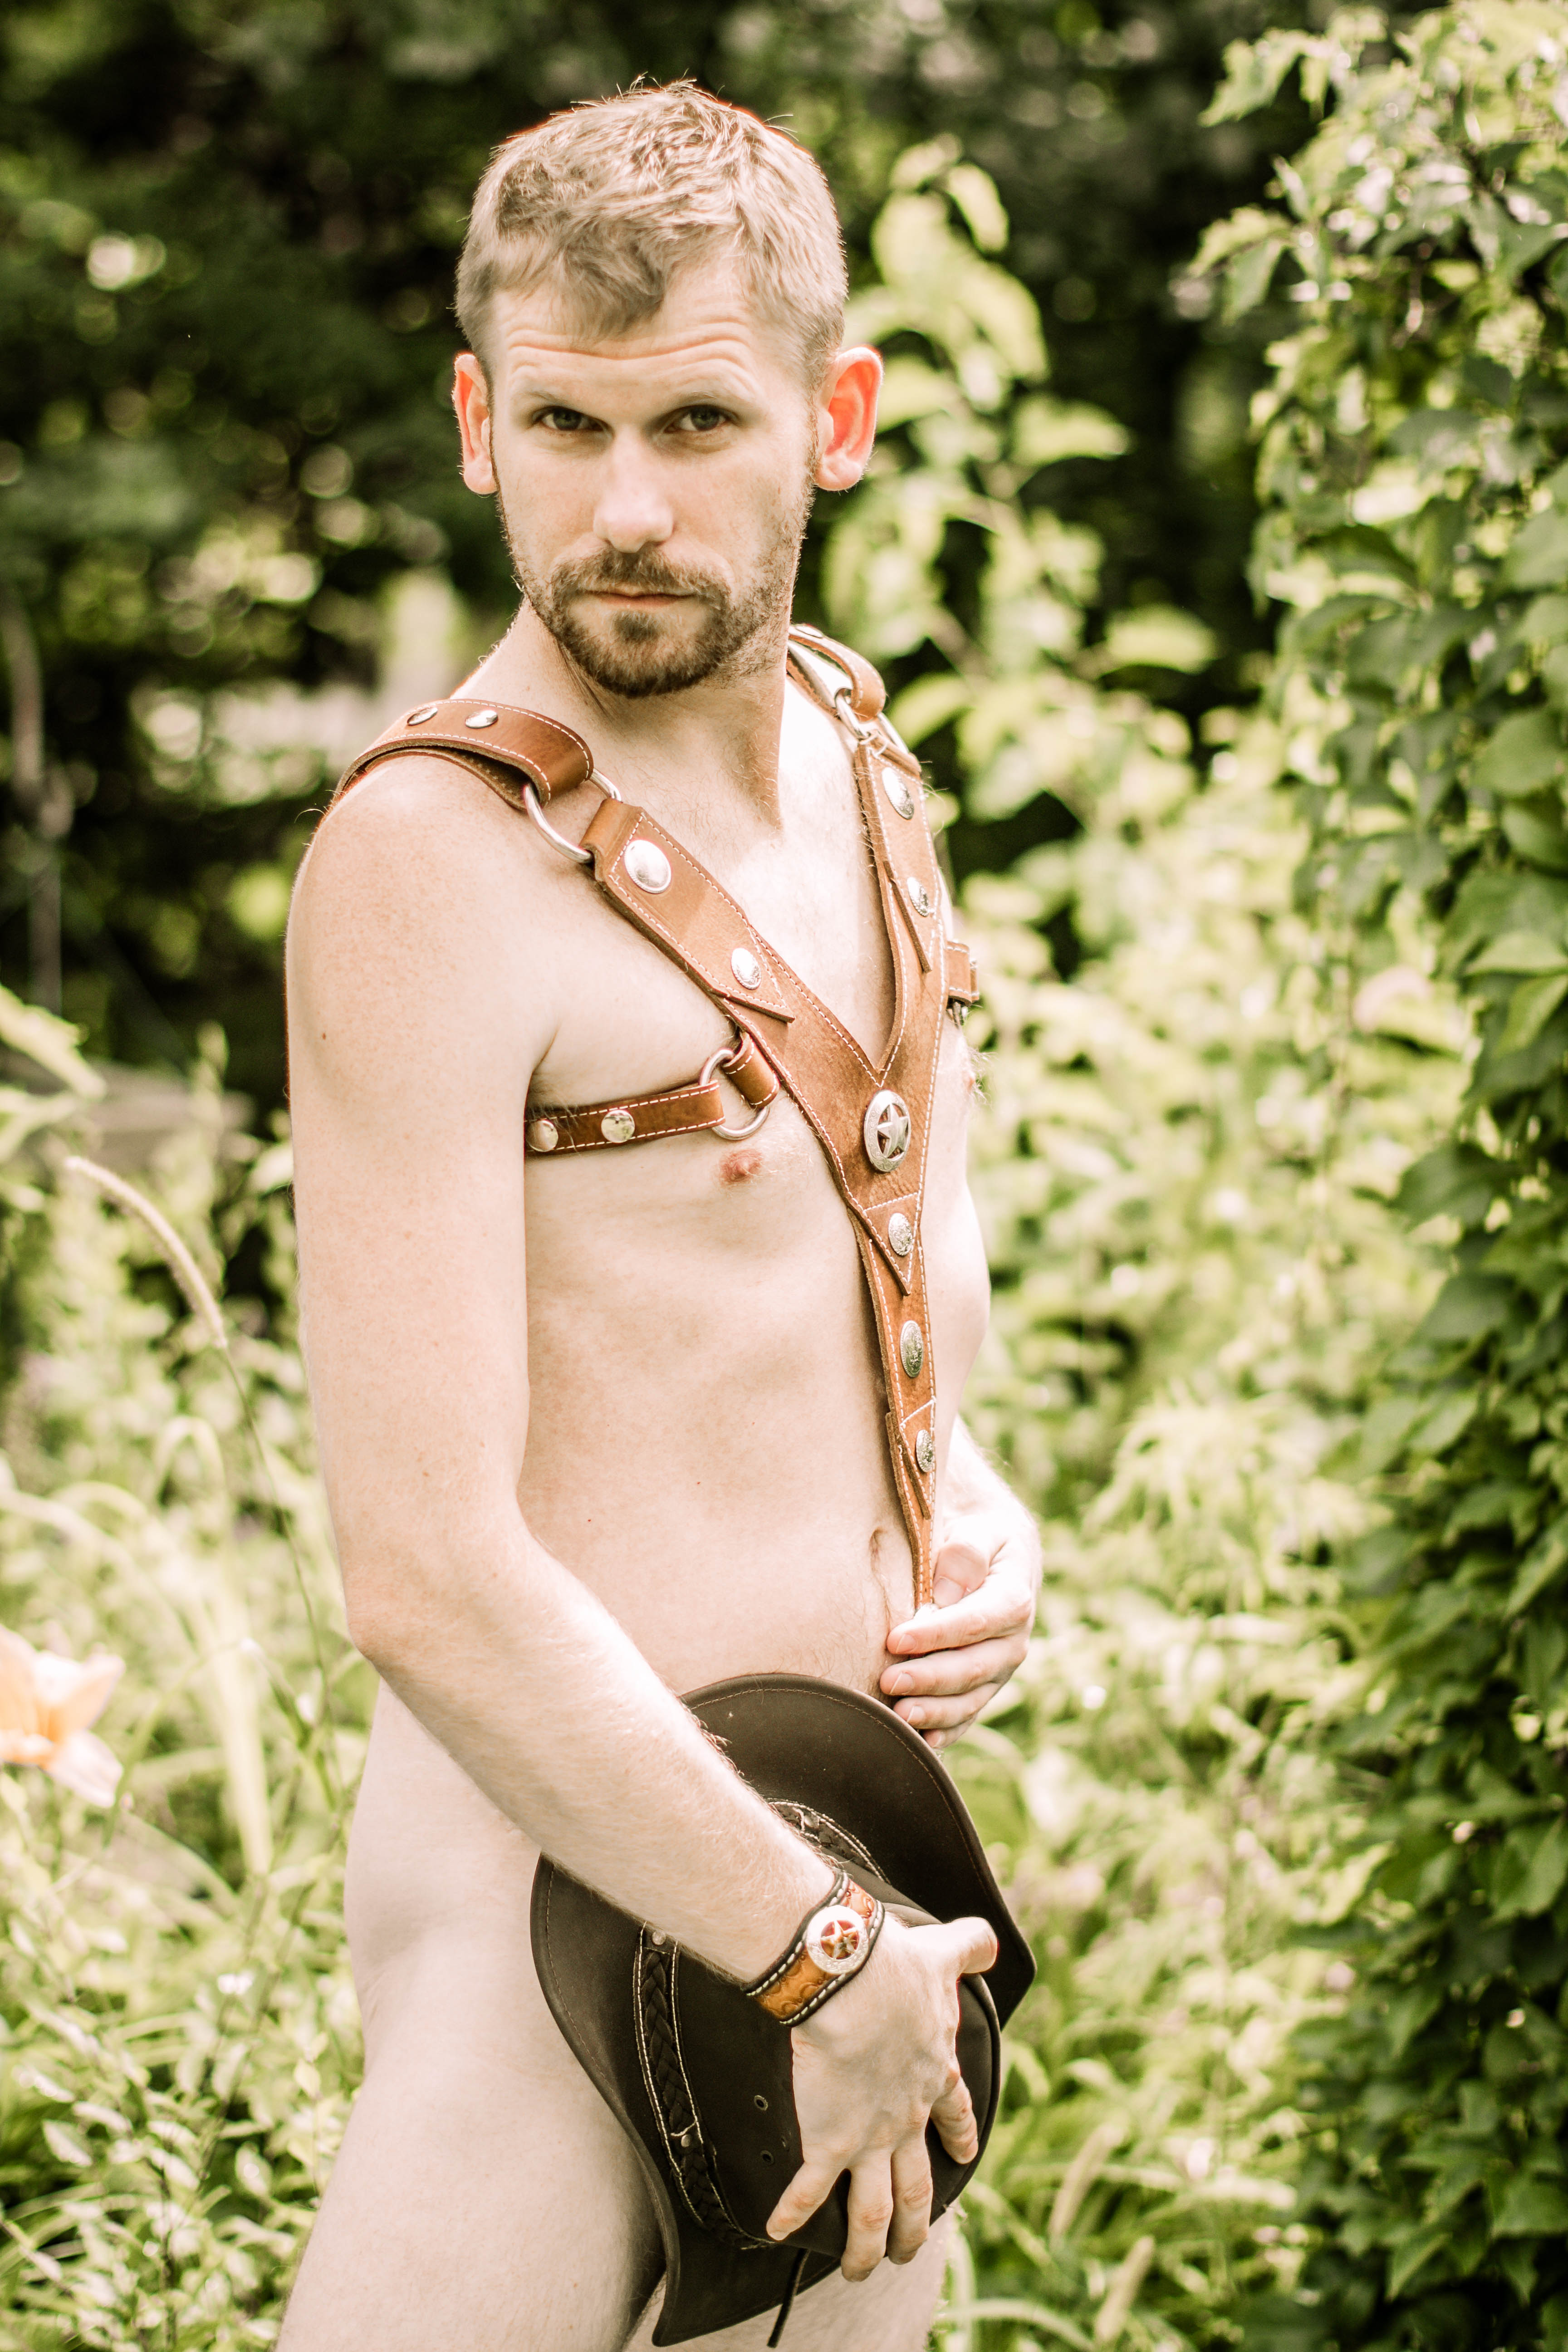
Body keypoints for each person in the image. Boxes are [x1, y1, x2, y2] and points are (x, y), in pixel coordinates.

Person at [280, 80, 1041, 2352]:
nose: (623, 509)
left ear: (836, 418)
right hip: (563, 1943)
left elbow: (901, 1288)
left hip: (869, 1913)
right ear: (475, 420)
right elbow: (423, 1571)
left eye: (698, 424)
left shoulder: (864, 763)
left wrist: (977, 1515)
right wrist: (816, 1955)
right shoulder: (427, 864)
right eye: (565, 426)